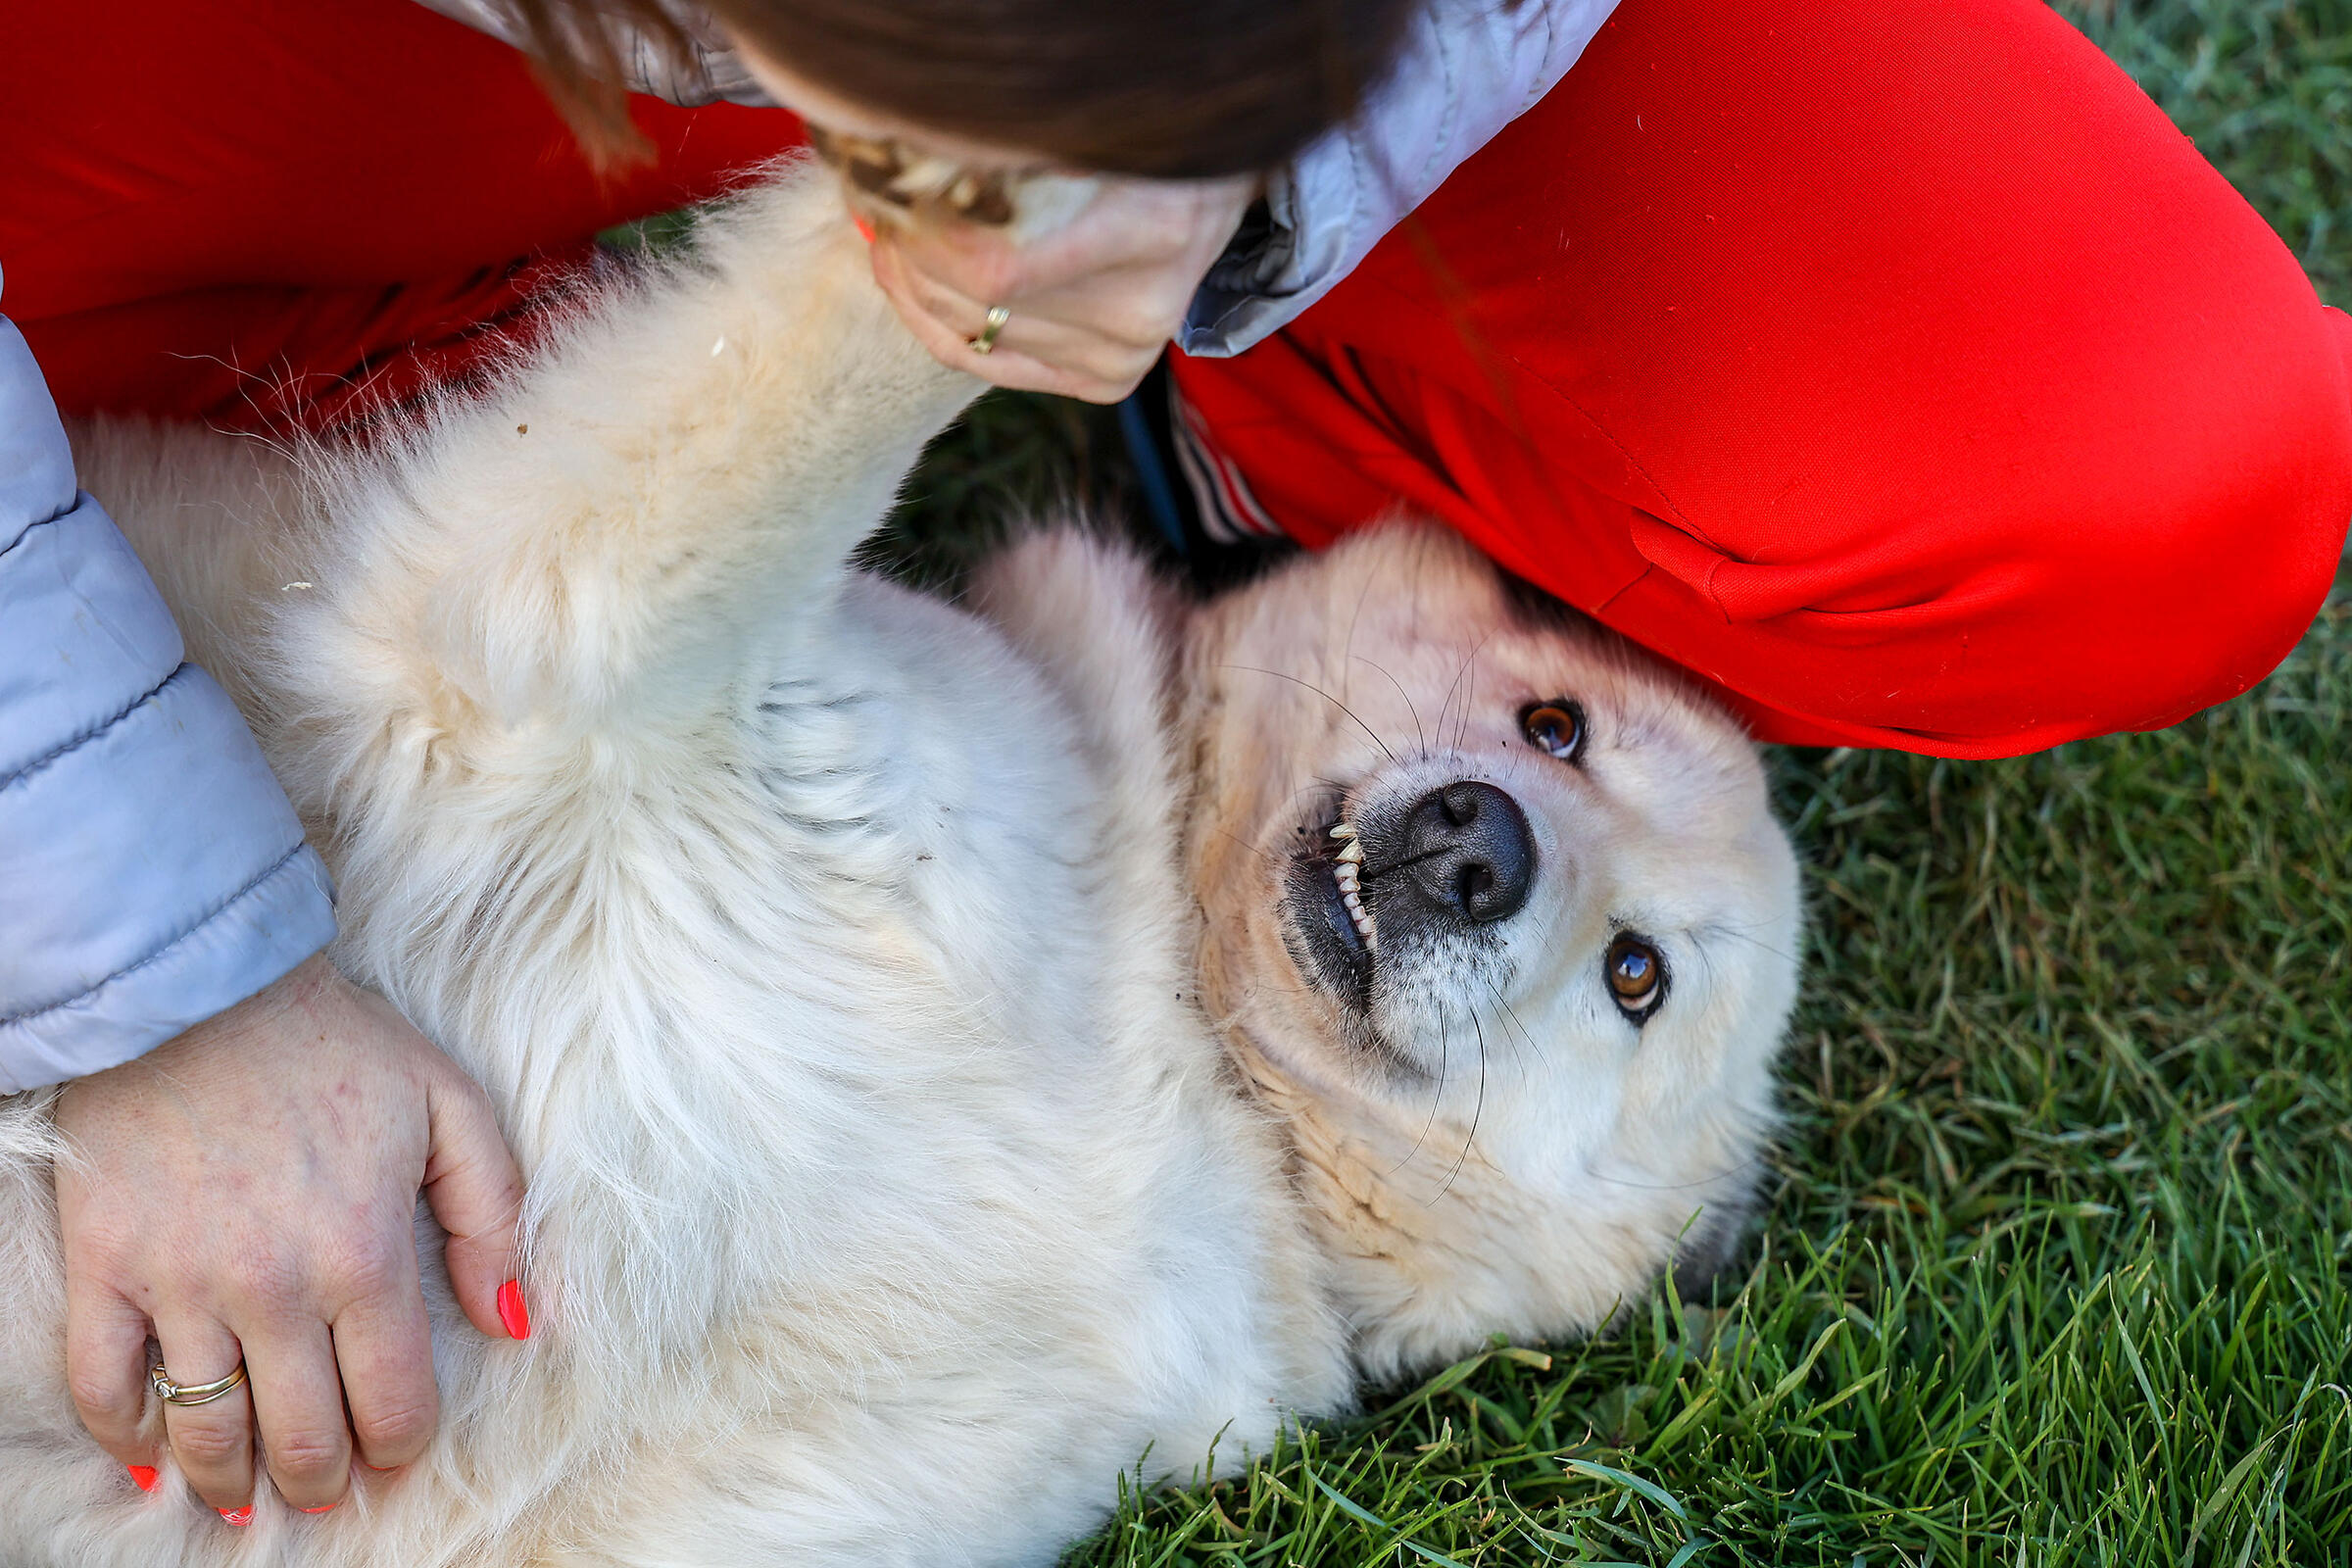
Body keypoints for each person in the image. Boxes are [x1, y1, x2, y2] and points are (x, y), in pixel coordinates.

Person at [4, 0, 2347, 1528]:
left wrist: (1220, 158)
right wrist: (156, 979)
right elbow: (540, 650)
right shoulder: (1016, 809)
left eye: (1630, 983)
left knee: (2146, 451)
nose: (1506, 848)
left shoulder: (1168, 1310)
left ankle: (1203, 338)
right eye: (1545, 727)